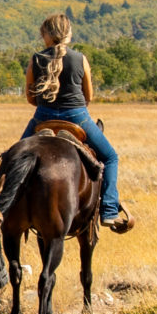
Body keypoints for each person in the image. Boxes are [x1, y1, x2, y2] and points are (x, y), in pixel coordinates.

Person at [23, 13, 132, 232]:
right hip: (77, 117)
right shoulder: (80, 58)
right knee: (110, 157)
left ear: (47, 34)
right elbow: (88, 96)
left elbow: (30, 98)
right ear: (68, 34)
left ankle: (7, 207)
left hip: (43, 117)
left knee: (13, 159)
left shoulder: (36, 59)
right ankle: (109, 211)